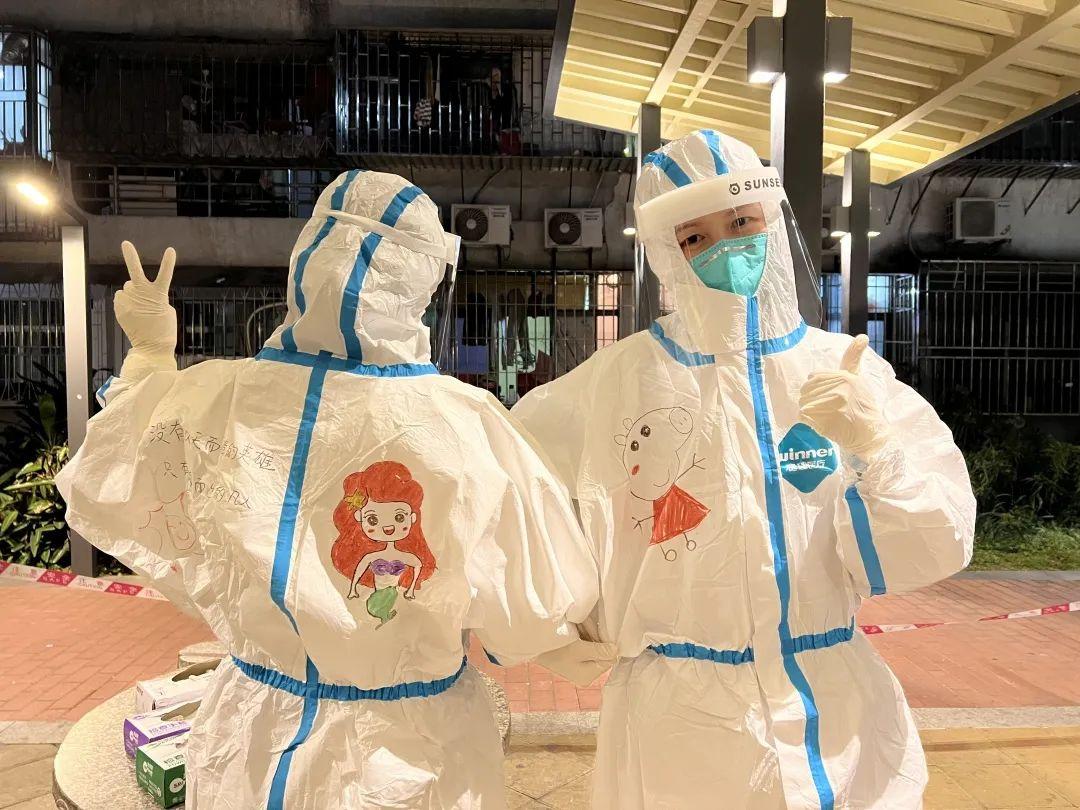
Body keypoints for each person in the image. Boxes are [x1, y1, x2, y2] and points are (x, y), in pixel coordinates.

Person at [57, 169, 613, 809]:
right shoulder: (467, 423)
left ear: (305, 260)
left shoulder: (215, 396)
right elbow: (534, 607)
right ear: (421, 281)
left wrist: (150, 355)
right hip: (411, 750)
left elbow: (113, 474)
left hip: (252, 735)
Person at [512, 129, 977, 809]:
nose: (726, 247)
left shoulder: (843, 371)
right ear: (667, 253)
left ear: (771, 222)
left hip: (836, 714)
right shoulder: (618, 382)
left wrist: (877, 449)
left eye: (740, 223)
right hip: (684, 726)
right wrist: (548, 631)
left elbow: (938, 543)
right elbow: (518, 500)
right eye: (695, 237)